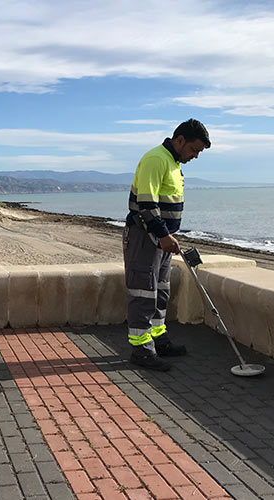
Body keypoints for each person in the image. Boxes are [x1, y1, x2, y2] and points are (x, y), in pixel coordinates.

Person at [123, 119, 211, 371]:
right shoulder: (156, 159)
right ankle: (141, 350)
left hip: (163, 242)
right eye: (194, 150)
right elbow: (147, 203)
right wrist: (162, 234)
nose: (195, 156)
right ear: (180, 140)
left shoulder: (174, 163)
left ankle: (158, 340)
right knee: (143, 293)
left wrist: (168, 236)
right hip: (145, 238)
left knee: (160, 291)